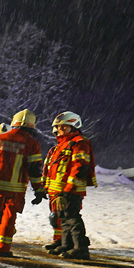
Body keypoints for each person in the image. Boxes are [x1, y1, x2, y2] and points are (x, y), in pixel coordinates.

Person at [0, 109, 46, 257]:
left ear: (14, 123)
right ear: (32, 126)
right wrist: (38, 189)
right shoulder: (32, 143)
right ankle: (4, 249)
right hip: (15, 191)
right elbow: (35, 170)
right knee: (8, 220)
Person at [43, 111, 97, 259]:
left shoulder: (79, 142)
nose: (60, 130)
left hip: (71, 190)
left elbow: (79, 168)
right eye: (58, 127)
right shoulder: (62, 145)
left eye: (64, 127)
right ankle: (67, 244)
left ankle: (81, 249)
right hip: (60, 191)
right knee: (64, 218)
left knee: (72, 218)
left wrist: (67, 191)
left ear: (74, 127)